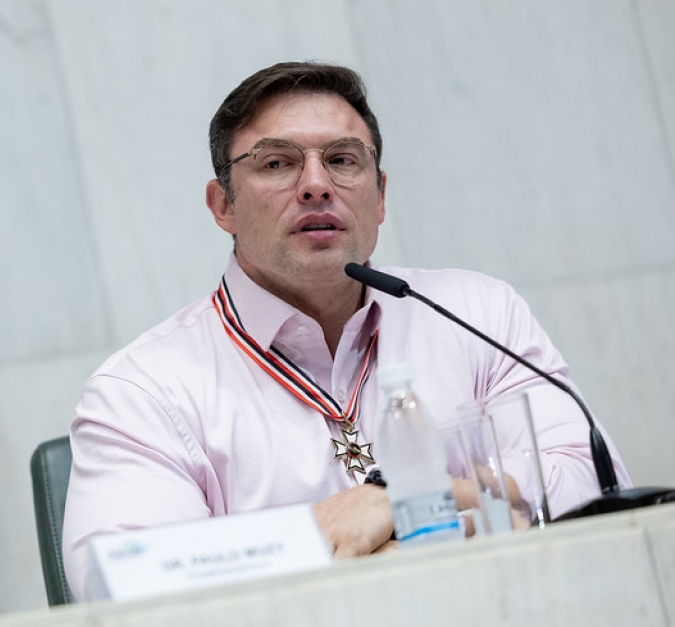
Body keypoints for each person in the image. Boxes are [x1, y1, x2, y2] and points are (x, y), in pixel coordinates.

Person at [60, 61, 630, 601]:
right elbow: (124, 585)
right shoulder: (142, 389)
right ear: (223, 206)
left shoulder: (478, 314)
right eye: (276, 162)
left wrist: (401, 507)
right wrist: (319, 532)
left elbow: (589, 482)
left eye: (343, 159)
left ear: (380, 196)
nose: (315, 184)